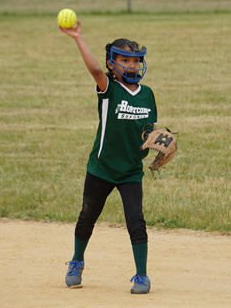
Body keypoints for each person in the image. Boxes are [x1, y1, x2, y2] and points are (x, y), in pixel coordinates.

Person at [59, 19, 159, 294]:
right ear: (112, 64)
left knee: (136, 221)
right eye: (125, 60)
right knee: (87, 216)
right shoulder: (109, 89)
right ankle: (77, 262)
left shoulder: (148, 94)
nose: (132, 65)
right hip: (102, 168)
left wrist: (159, 142)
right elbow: (93, 69)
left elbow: (149, 128)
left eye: (136, 60)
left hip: (130, 171)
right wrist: (78, 38)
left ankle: (141, 275)